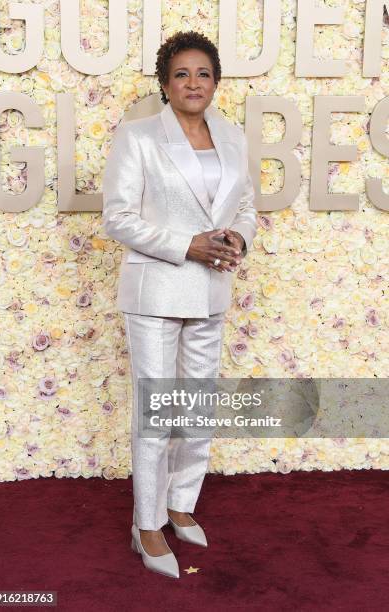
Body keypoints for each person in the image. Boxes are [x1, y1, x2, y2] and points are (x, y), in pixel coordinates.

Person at [102, 30, 257, 579]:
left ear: (216, 81)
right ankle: (146, 524)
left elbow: (246, 207)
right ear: (165, 83)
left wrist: (238, 238)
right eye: (182, 74)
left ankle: (179, 505)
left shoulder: (234, 138)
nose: (194, 83)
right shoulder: (138, 135)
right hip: (156, 289)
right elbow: (117, 217)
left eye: (204, 74)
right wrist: (186, 244)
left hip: (212, 288)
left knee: (196, 406)